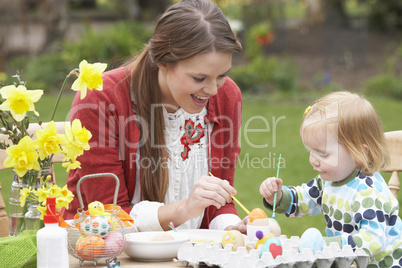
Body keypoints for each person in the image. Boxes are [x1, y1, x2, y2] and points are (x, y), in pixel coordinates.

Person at [62, 0, 247, 233]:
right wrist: (183, 210)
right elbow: (108, 216)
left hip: (186, 253)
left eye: (221, 75)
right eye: (199, 78)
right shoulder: (100, 99)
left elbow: (219, 203)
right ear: (162, 61)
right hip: (101, 250)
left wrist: (233, 227)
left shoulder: (227, 96)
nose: (212, 90)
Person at [260, 91, 402, 267]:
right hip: (350, 261)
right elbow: (303, 199)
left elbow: (372, 242)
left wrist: (328, 245)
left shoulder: (368, 193)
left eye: (322, 153)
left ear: (359, 153)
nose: (313, 160)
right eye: (310, 151)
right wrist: (279, 196)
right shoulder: (329, 181)